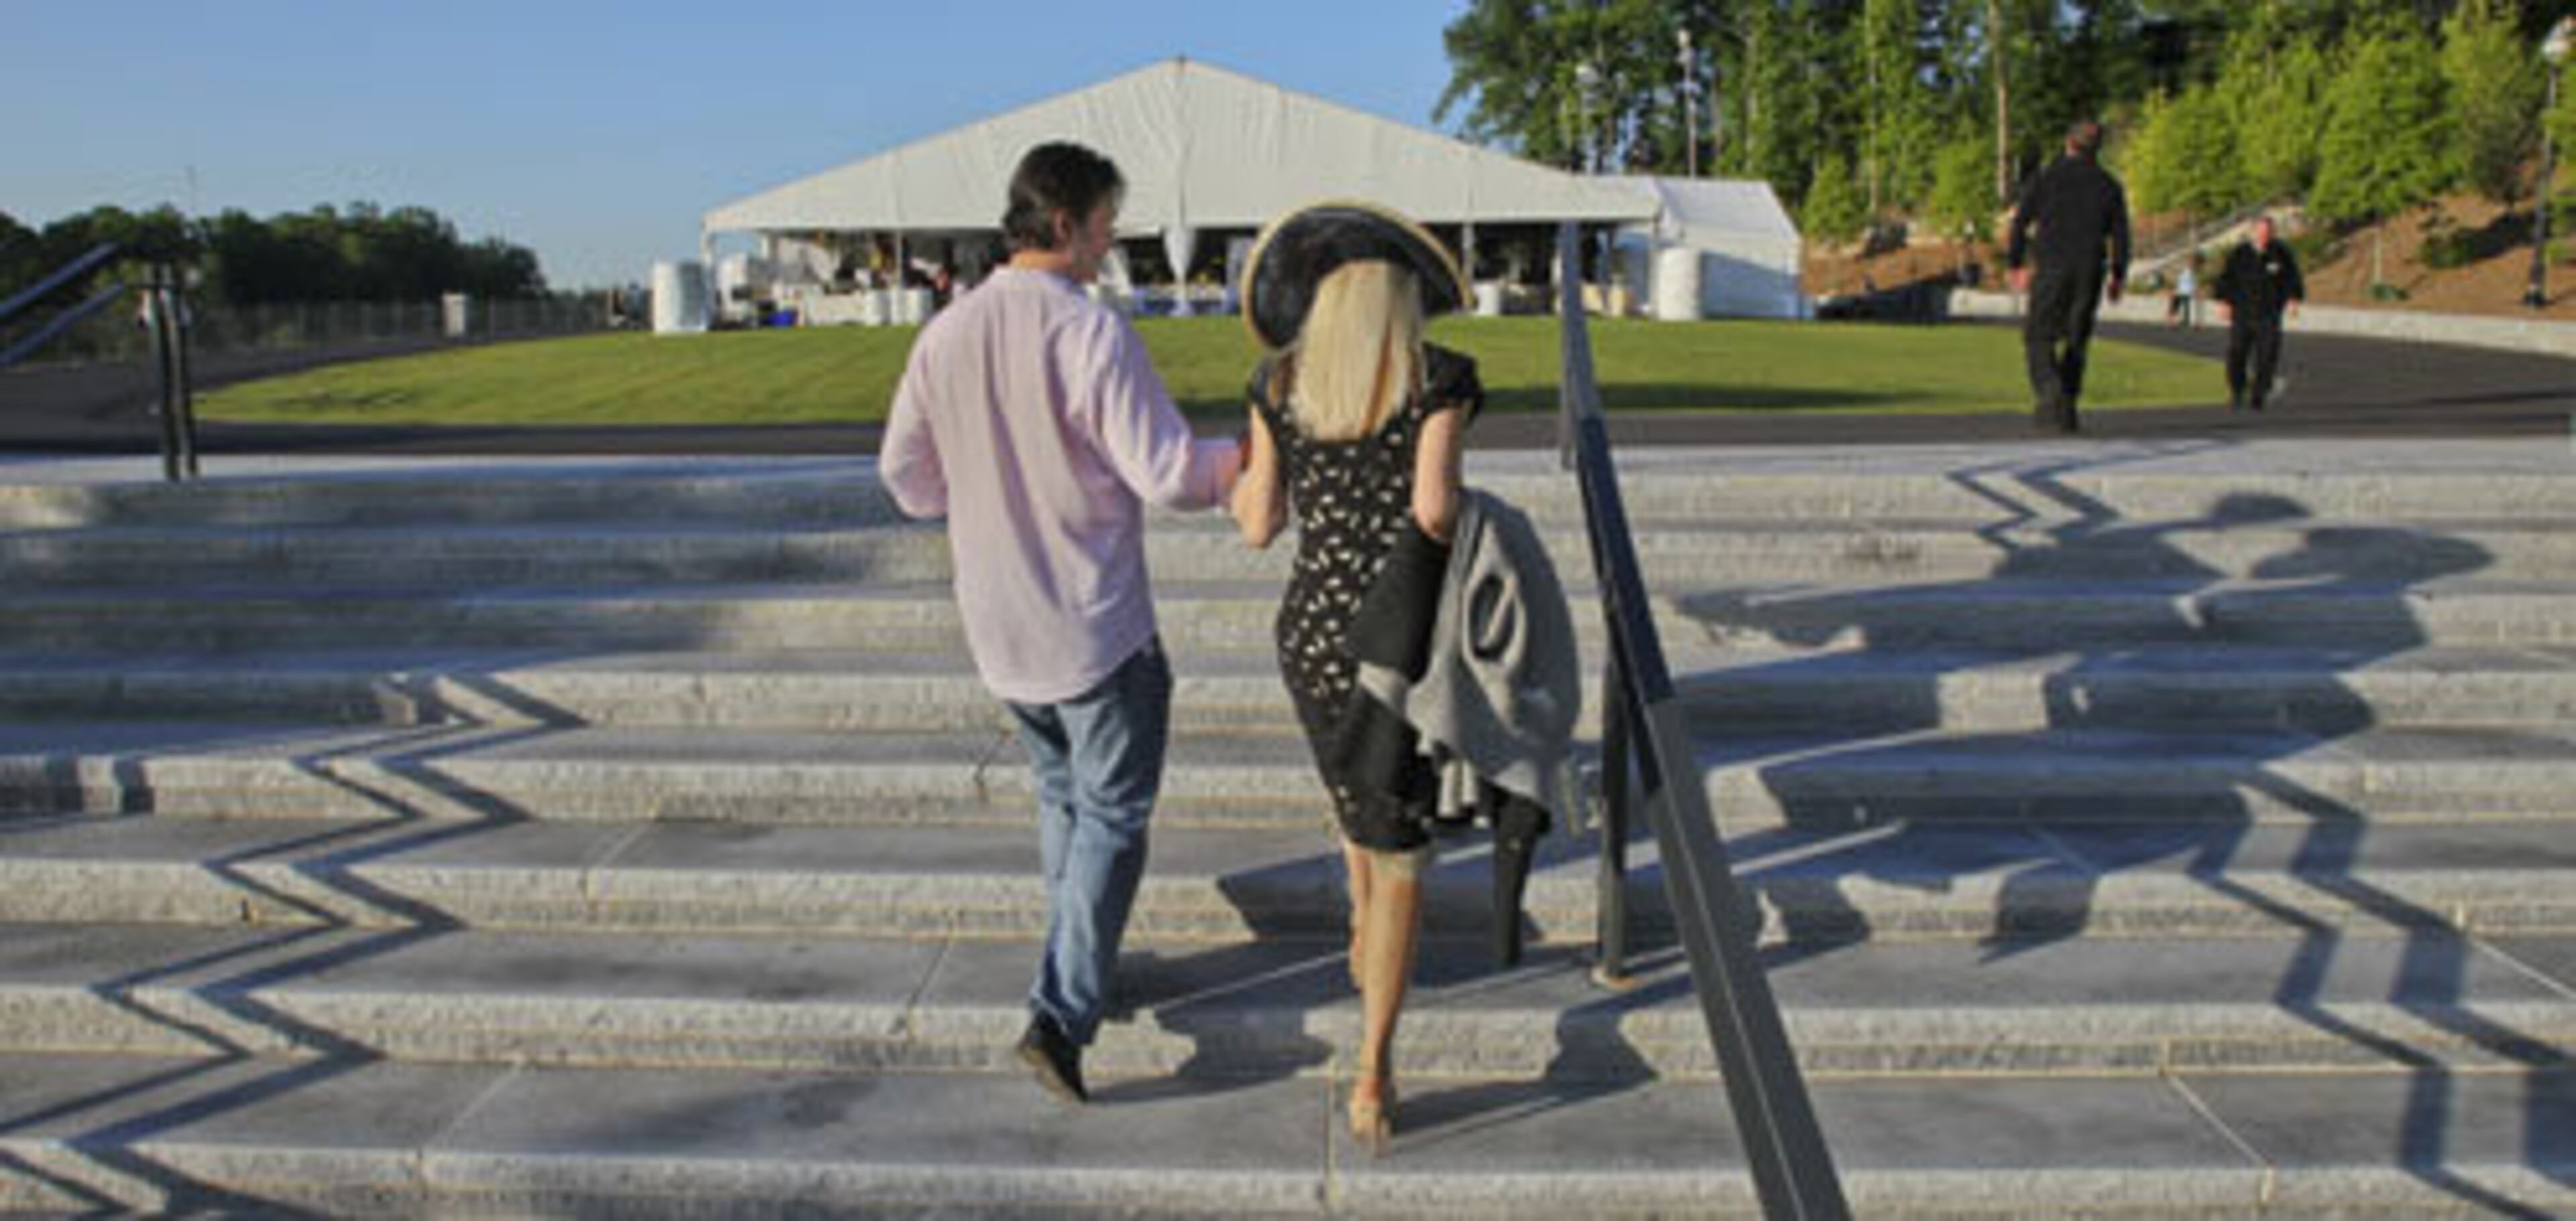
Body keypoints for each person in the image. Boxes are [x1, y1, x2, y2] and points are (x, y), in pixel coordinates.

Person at [877, 141, 1244, 1106]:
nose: (1111, 239)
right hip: (1091, 623)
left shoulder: (945, 334)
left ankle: (1081, 966)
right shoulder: (1089, 332)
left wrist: (990, 487)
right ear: (1068, 222)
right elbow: (1169, 475)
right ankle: (1062, 1011)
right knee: (1113, 815)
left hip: (999, 623)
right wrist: (1247, 457)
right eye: (1106, 221)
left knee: (1063, 801)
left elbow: (907, 482)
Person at [1228, 201, 1481, 1155]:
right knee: (1402, 846)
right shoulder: (1438, 381)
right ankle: (1374, 1065)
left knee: (1356, 805)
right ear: (1399, 299)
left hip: (1310, 636)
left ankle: (1362, 935)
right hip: (1401, 640)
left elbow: (1258, 526)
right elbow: (1435, 511)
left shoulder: (1278, 383)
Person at [2007, 119, 2132, 434]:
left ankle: (2051, 391)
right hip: (2089, 267)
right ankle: (2068, 407)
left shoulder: (2047, 179)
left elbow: (2020, 223)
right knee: (2077, 338)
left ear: (2068, 143)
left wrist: (2017, 263)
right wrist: (2118, 274)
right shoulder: (2108, 184)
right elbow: (2121, 235)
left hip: (2053, 265)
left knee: (2038, 335)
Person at [2214, 215, 2304, 413]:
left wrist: (2293, 299)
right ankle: (2238, 389)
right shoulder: (2240, 254)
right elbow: (2226, 279)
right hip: (2243, 313)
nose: (2264, 236)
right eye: (2261, 232)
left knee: (2268, 355)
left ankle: (2259, 393)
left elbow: (2293, 279)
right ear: (2253, 232)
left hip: (2269, 314)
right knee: (2237, 353)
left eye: (2268, 232)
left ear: (2273, 233)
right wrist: (2224, 302)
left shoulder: (2281, 253)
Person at [2169, 259, 2199, 327]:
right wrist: (2174, 290)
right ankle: (2173, 322)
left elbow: (2193, 284)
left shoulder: (2192, 274)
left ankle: (2177, 322)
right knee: (2176, 307)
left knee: (2182, 308)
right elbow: (2179, 282)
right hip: (2181, 292)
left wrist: (2196, 291)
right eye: (2190, 264)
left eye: (2192, 264)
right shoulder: (2185, 273)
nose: (2191, 265)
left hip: (2186, 293)